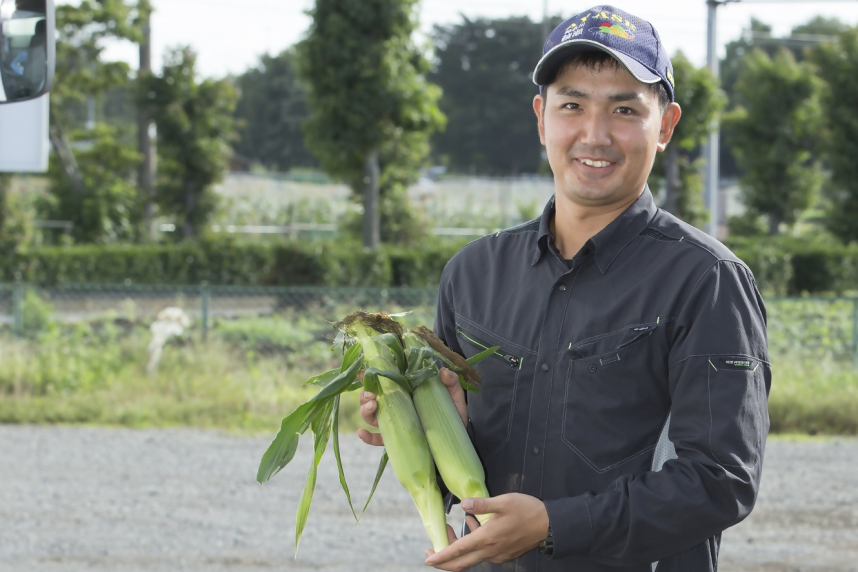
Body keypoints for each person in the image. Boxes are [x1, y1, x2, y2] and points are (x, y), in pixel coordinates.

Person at [358, 5, 771, 572]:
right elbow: (466, 479)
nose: (594, 134)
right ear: (541, 117)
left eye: (625, 109)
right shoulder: (474, 273)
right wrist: (422, 424)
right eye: (572, 105)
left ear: (666, 126)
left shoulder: (707, 280)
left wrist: (555, 527)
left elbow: (720, 481)